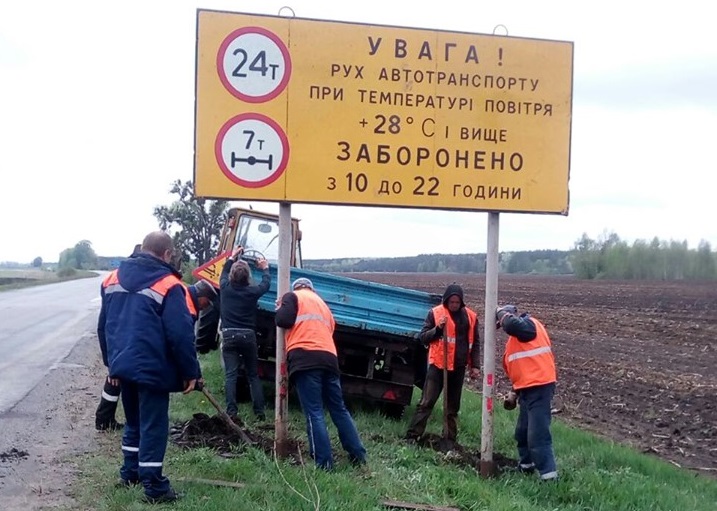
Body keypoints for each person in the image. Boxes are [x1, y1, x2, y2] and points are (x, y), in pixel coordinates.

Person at [97, 231, 202, 504]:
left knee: (133, 422)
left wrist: (111, 365)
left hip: (123, 365)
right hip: (154, 368)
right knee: (154, 426)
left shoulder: (112, 279)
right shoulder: (170, 285)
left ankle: (129, 472)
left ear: (142, 249)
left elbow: (103, 327)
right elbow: (180, 335)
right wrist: (191, 372)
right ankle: (154, 487)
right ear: (168, 254)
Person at [95, 278, 216, 431]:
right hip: (145, 354)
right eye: (207, 303)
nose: (206, 307)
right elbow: (183, 342)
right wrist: (192, 373)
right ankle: (107, 420)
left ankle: (109, 420)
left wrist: (110, 362)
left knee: (121, 380)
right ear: (202, 297)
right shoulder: (187, 305)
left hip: (126, 346)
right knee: (131, 392)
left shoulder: (179, 293)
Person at [275, 277, 366, 470]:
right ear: (312, 289)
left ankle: (324, 463)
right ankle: (358, 455)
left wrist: (282, 306)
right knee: (338, 409)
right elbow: (330, 329)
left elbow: (283, 320)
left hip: (305, 357)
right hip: (329, 358)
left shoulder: (292, 297)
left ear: (297, 288)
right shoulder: (323, 305)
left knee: (314, 412)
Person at [405, 284, 481, 447]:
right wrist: (438, 329)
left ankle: (449, 440)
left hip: (458, 368)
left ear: (461, 302)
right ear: (446, 300)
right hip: (438, 366)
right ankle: (413, 436)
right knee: (426, 402)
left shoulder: (471, 317)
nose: (454, 305)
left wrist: (475, 366)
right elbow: (423, 337)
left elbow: (475, 343)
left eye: (457, 302)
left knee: (452, 407)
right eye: (451, 302)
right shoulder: (435, 313)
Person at [496, 304, 558, 482]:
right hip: (526, 390)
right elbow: (522, 369)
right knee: (522, 433)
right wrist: (515, 392)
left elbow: (511, 325)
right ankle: (526, 467)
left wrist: (499, 311)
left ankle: (549, 477)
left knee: (537, 435)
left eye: (501, 322)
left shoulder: (529, 325)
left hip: (540, 387)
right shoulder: (516, 340)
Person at [219, 246, 270, 421]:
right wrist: (265, 268)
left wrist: (232, 257)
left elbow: (224, 271)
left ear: (232, 275)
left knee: (231, 375)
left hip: (229, 335)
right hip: (248, 336)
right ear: (247, 277)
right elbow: (265, 285)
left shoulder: (225, 288)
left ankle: (232, 412)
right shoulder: (252, 292)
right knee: (253, 375)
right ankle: (259, 412)